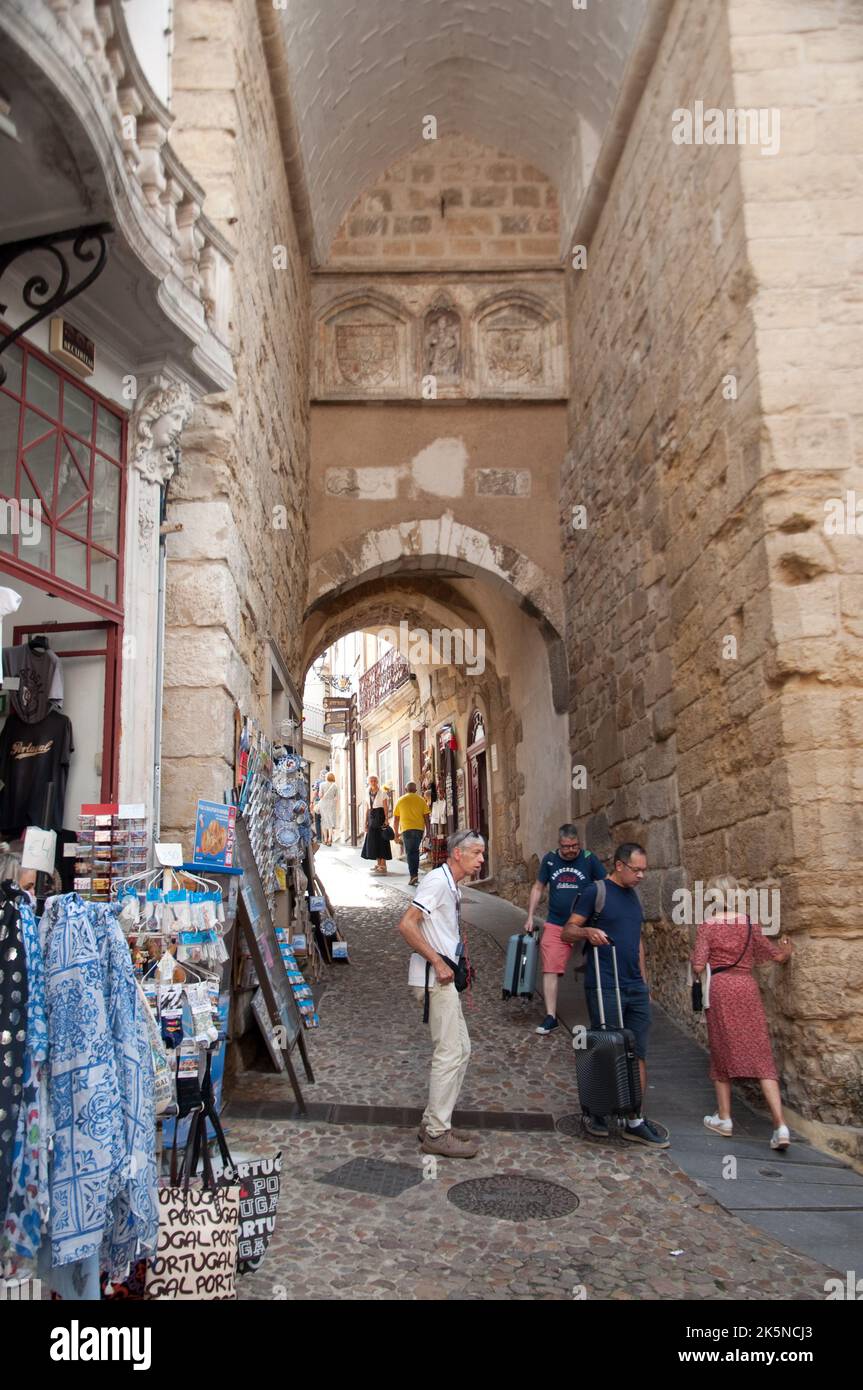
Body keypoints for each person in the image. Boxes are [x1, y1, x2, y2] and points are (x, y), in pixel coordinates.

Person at [561, 842, 669, 1148]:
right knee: (606, 1047)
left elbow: (637, 943)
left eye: (644, 871)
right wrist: (587, 933)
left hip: (634, 987)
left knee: (639, 1052)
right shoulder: (596, 892)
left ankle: (634, 1118)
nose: (641, 876)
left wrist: (644, 983)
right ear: (619, 865)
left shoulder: (634, 898)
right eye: (636, 870)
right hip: (605, 983)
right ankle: (597, 1110)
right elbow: (567, 931)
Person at [396, 829, 485, 1159]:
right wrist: (437, 960)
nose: (481, 859)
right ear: (457, 854)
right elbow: (407, 923)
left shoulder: (450, 884)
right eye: (476, 853)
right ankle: (436, 1133)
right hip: (435, 979)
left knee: (461, 1049)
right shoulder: (436, 882)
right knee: (450, 1052)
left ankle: (434, 1121)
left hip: (443, 979)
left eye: (482, 854)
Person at [691, 875, 794, 1150]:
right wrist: (786, 951)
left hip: (722, 991)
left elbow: (698, 965)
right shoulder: (749, 924)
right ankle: (780, 1125)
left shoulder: (708, 926)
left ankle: (725, 1118)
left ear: (713, 898)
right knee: (761, 1053)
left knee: (721, 1049)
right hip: (746, 987)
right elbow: (774, 955)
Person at [526, 823, 606, 1035]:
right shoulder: (550, 860)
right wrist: (530, 916)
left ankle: (602, 1015)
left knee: (598, 965)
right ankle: (551, 1016)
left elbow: (605, 885)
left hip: (585, 924)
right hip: (556, 923)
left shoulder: (589, 859)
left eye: (574, 846)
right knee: (550, 968)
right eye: (566, 846)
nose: (571, 850)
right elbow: (538, 887)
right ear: (559, 844)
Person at [393, 781, 431, 886]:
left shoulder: (400, 800)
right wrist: (428, 832)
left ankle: (413, 875)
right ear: (415, 790)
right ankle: (415, 875)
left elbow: (396, 819)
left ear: (406, 790)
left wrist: (396, 833)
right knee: (415, 851)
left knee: (410, 853)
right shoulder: (421, 800)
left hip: (406, 830)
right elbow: (427, 817)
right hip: (419, 829)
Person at [360, 774, 391, 874]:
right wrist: (365, 822)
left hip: (380, 815)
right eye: (371, 780)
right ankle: (378, 863)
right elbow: (367, 808)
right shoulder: (367, 792)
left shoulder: (382, 792)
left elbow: (385, 807)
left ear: (377, 782)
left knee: (382, 840)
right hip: (371, 816)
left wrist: (386, 819)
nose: (373, 782)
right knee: (373, 841)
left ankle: (383, 864)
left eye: (375, 780)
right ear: (369, 782)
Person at [317, 771, 338, 846]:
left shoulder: (322, 784)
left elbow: (320, 795)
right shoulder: (335, 786)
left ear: (326, 777)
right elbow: (336, 798)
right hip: (331, 804)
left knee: (324, 821)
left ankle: (325, 839)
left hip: (324, 804)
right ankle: (330, 839)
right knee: (330, 822)